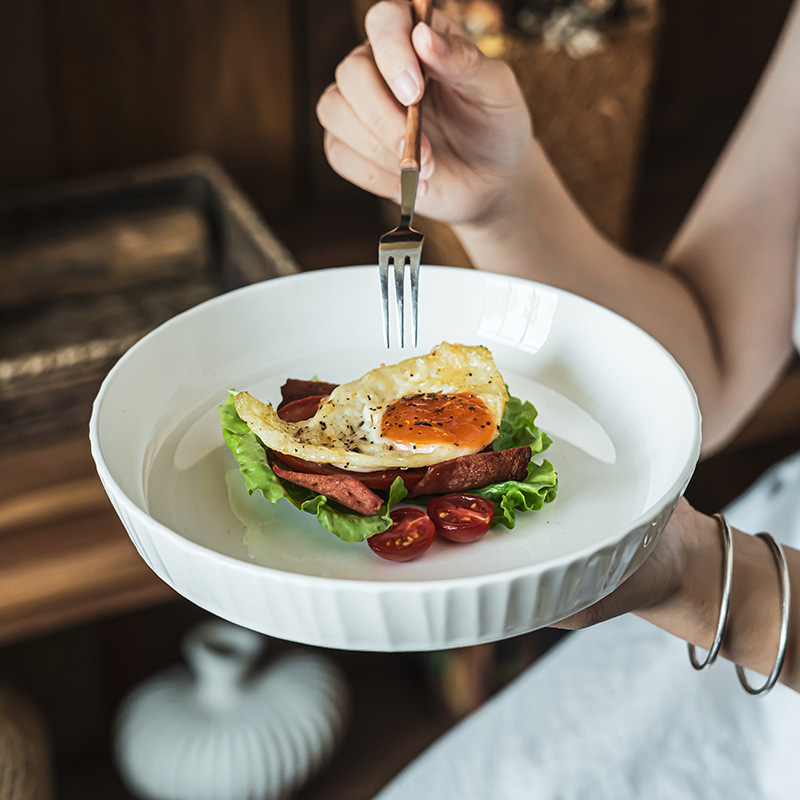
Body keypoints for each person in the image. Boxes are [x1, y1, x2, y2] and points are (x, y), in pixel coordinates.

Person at [317, 0, 800, 704]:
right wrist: (503, 199)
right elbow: (713, 360)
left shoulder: (713, 579)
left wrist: (709, 581)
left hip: (751, 609)